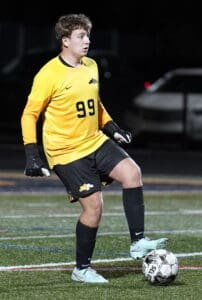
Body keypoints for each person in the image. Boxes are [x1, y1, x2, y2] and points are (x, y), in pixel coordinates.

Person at [21, 13, 168, 283]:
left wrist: (113, 129)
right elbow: (29, 114)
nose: (87, 41)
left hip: (94, 141)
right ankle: (82, 269)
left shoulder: (90, 65)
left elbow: (95, 104)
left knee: (132, 172)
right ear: (65, 41)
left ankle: (138, 241)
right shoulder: (48, 74)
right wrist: (32, 154)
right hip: (66, 151)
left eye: (87, 35)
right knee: (94, 208)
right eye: (80, 36)